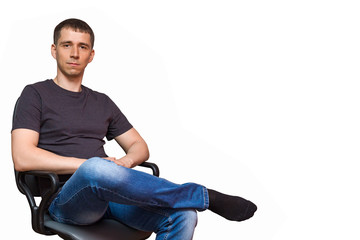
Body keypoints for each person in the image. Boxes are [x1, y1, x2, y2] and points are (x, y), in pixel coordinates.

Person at [11, 18, 257, 240]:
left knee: (184, 216)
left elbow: (140, 147)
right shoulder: (35, 94)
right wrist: (88, 166)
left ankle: (193, 199)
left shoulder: (103, 101)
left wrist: (125, 163)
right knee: (96, 166)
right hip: (66, 198)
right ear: (54, 50)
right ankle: (205, 196)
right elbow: (23, 157)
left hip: (110, 194)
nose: (75, 53)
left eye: (82, 47)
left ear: (91, 55)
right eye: (67, 45)